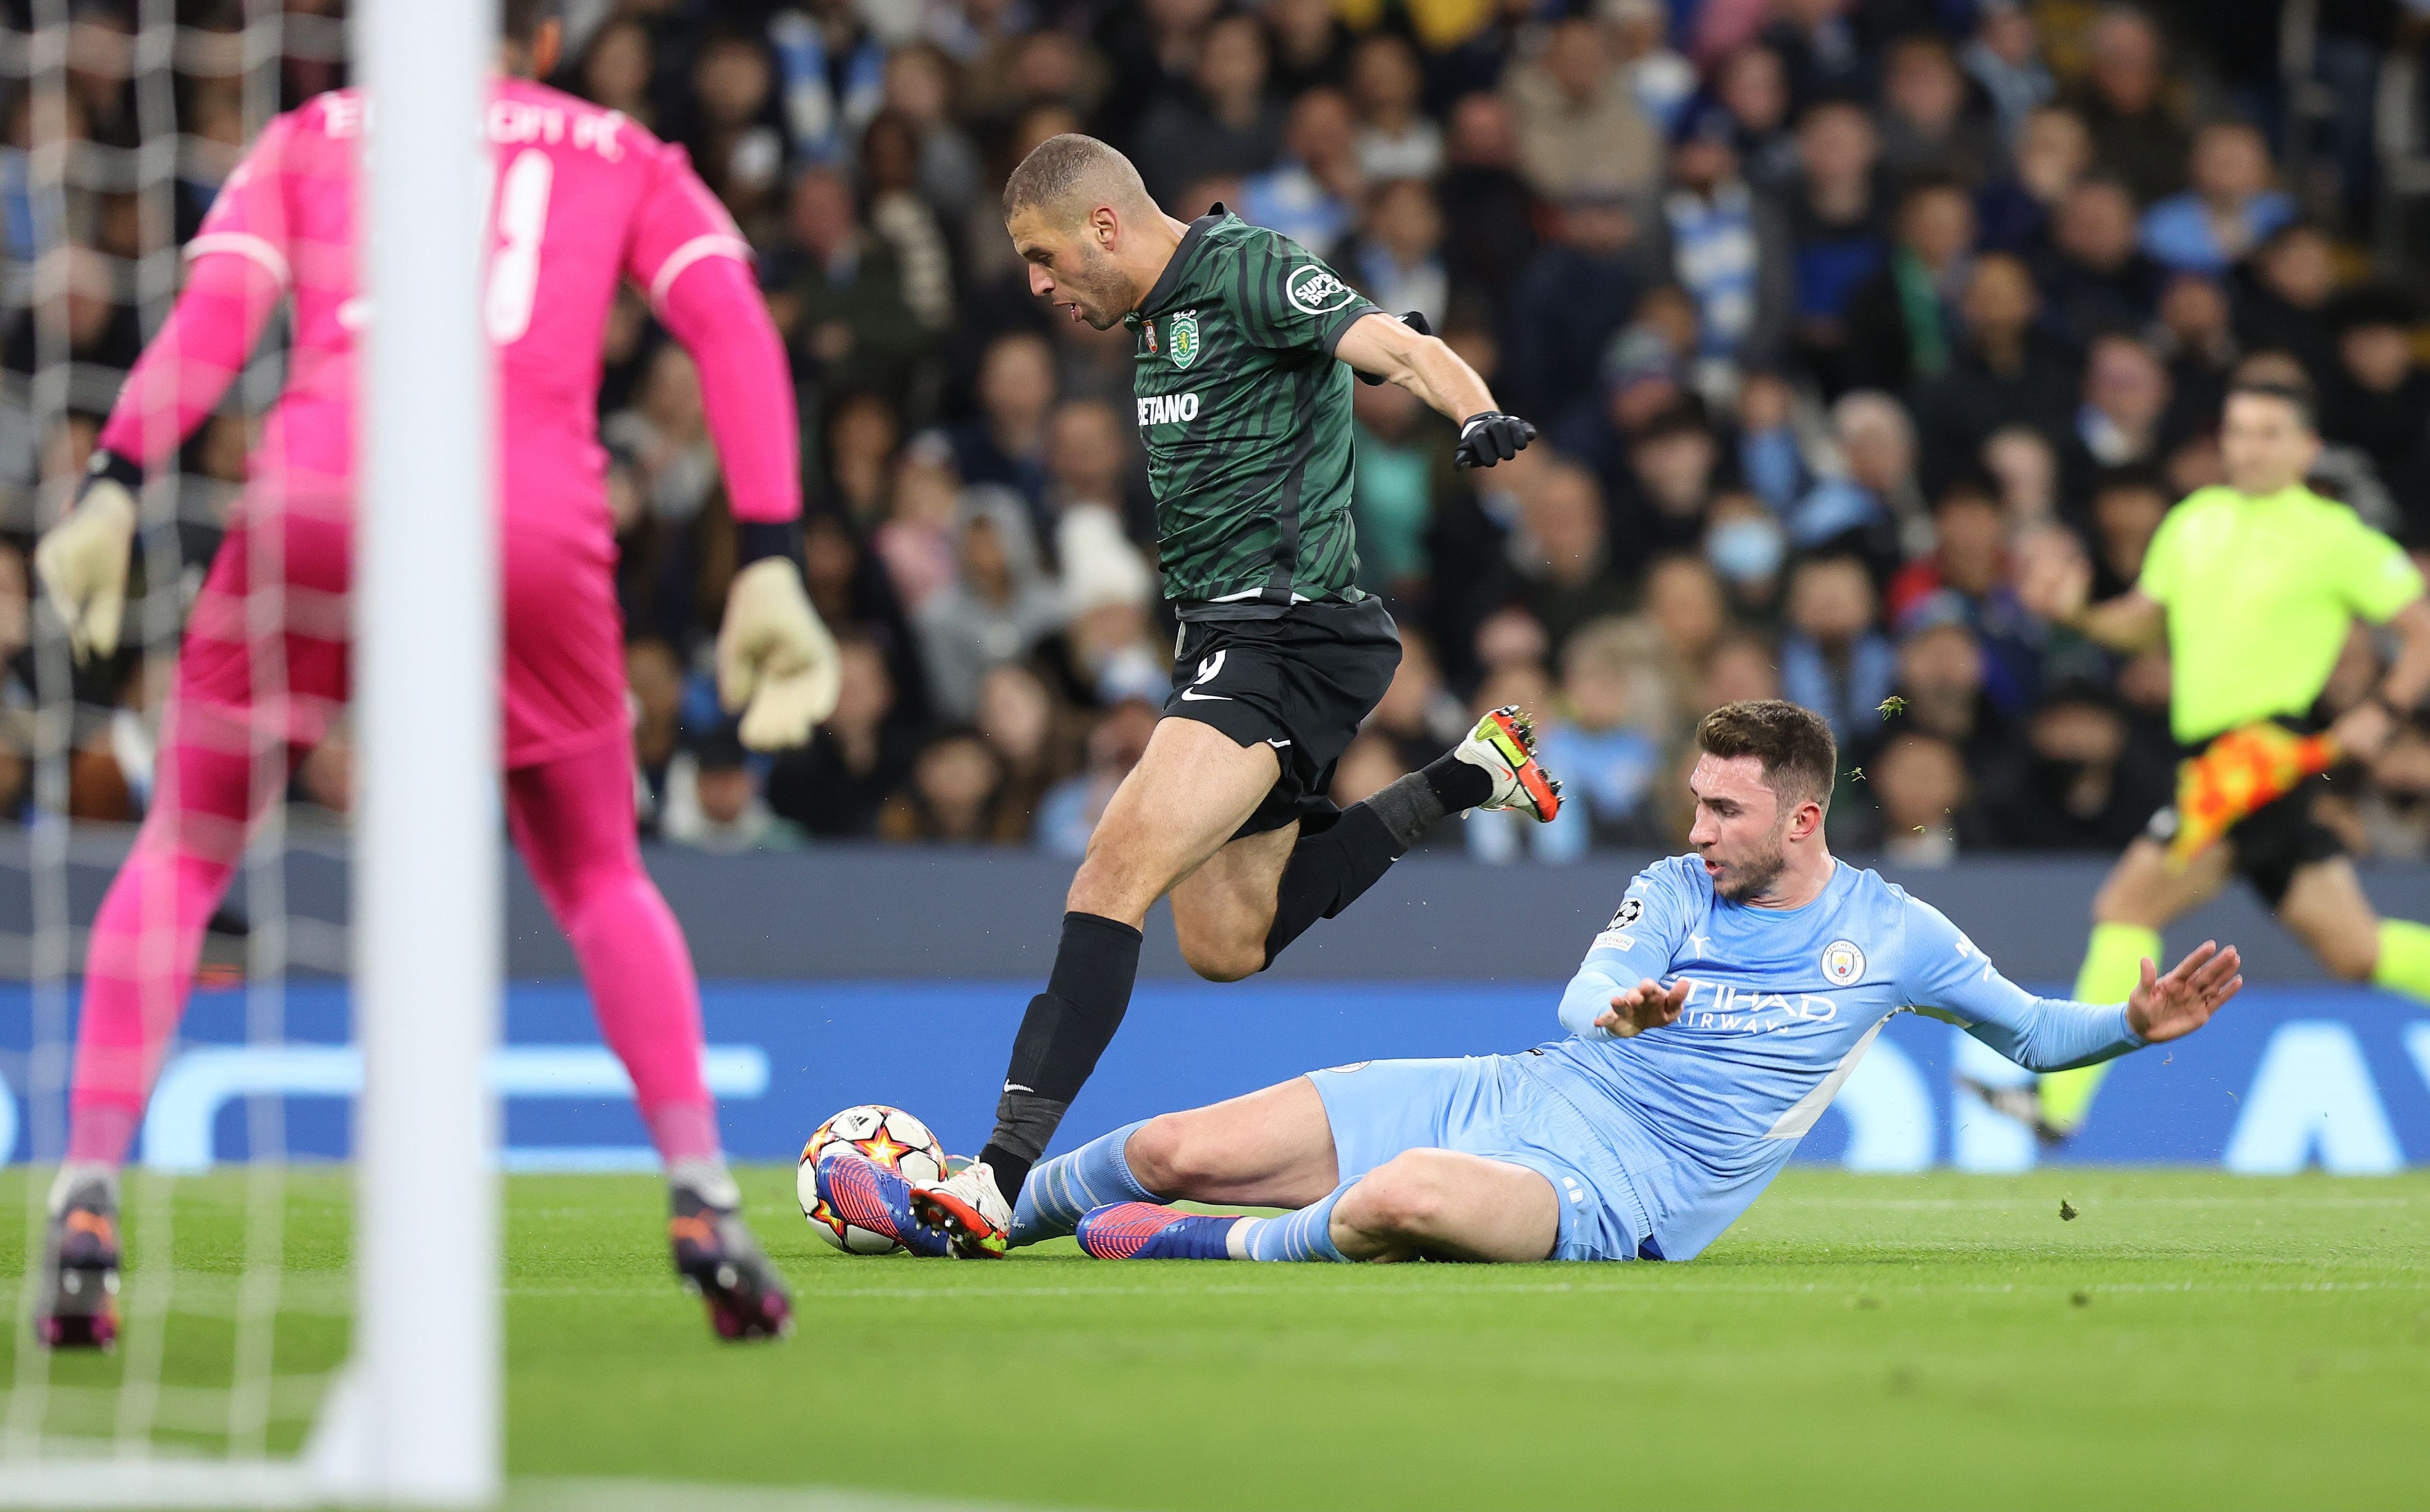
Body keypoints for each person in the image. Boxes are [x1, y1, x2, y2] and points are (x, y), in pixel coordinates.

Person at [30, 1, 831, 1346]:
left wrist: (114, 480)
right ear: (546, 43)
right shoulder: (616, 146)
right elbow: (731, 321)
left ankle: (89, 1187)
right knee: (595, 873)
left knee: (184, 849)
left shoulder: (317, 131)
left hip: (319, 492)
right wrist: (768, 552)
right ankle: (701, 1189)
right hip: (521, 513)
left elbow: (218, 318)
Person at [815, 132, 1558, 1259]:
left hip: (1287, 635)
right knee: (1224, 943)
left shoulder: (1249, 268)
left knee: (1111, 867)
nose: (1036, 283)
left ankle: (995, 1178)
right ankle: (1469, 775)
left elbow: (1387, 340)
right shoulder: (1153, 311)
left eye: (1043, 256)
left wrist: (1471, 409)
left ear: (1104, 227)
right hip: (1223, 639)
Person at [899, 701, 2239, 1267]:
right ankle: (980, 1213)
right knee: (1176, 1140)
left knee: (1401, 1196)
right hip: (1519, 1094)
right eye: (1695, 802)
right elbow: (1582, 993)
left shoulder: (1894, 936)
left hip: (1622, 1193)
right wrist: (1622, 1007)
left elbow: (2031, 1036)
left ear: (1803, 817)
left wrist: (2130, 1022)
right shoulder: (1669, 889)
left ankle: (1205, 1247)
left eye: (1724, 810)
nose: (1699, 827)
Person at [2017, 376, 2430, 1139]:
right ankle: (2051, 1108)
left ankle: (2053, 1108)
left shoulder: (2333, 533)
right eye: (2237, 430)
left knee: (2125, 907)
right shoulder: (2195, 519)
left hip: (2258, 757)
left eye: (2269, 432)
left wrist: (2386, 710)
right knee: (2357, 951)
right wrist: (2074, 612)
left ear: (2307, 448)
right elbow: (2140, 626)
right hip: (2212, 758)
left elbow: (2421, 625)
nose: (2248, 446)